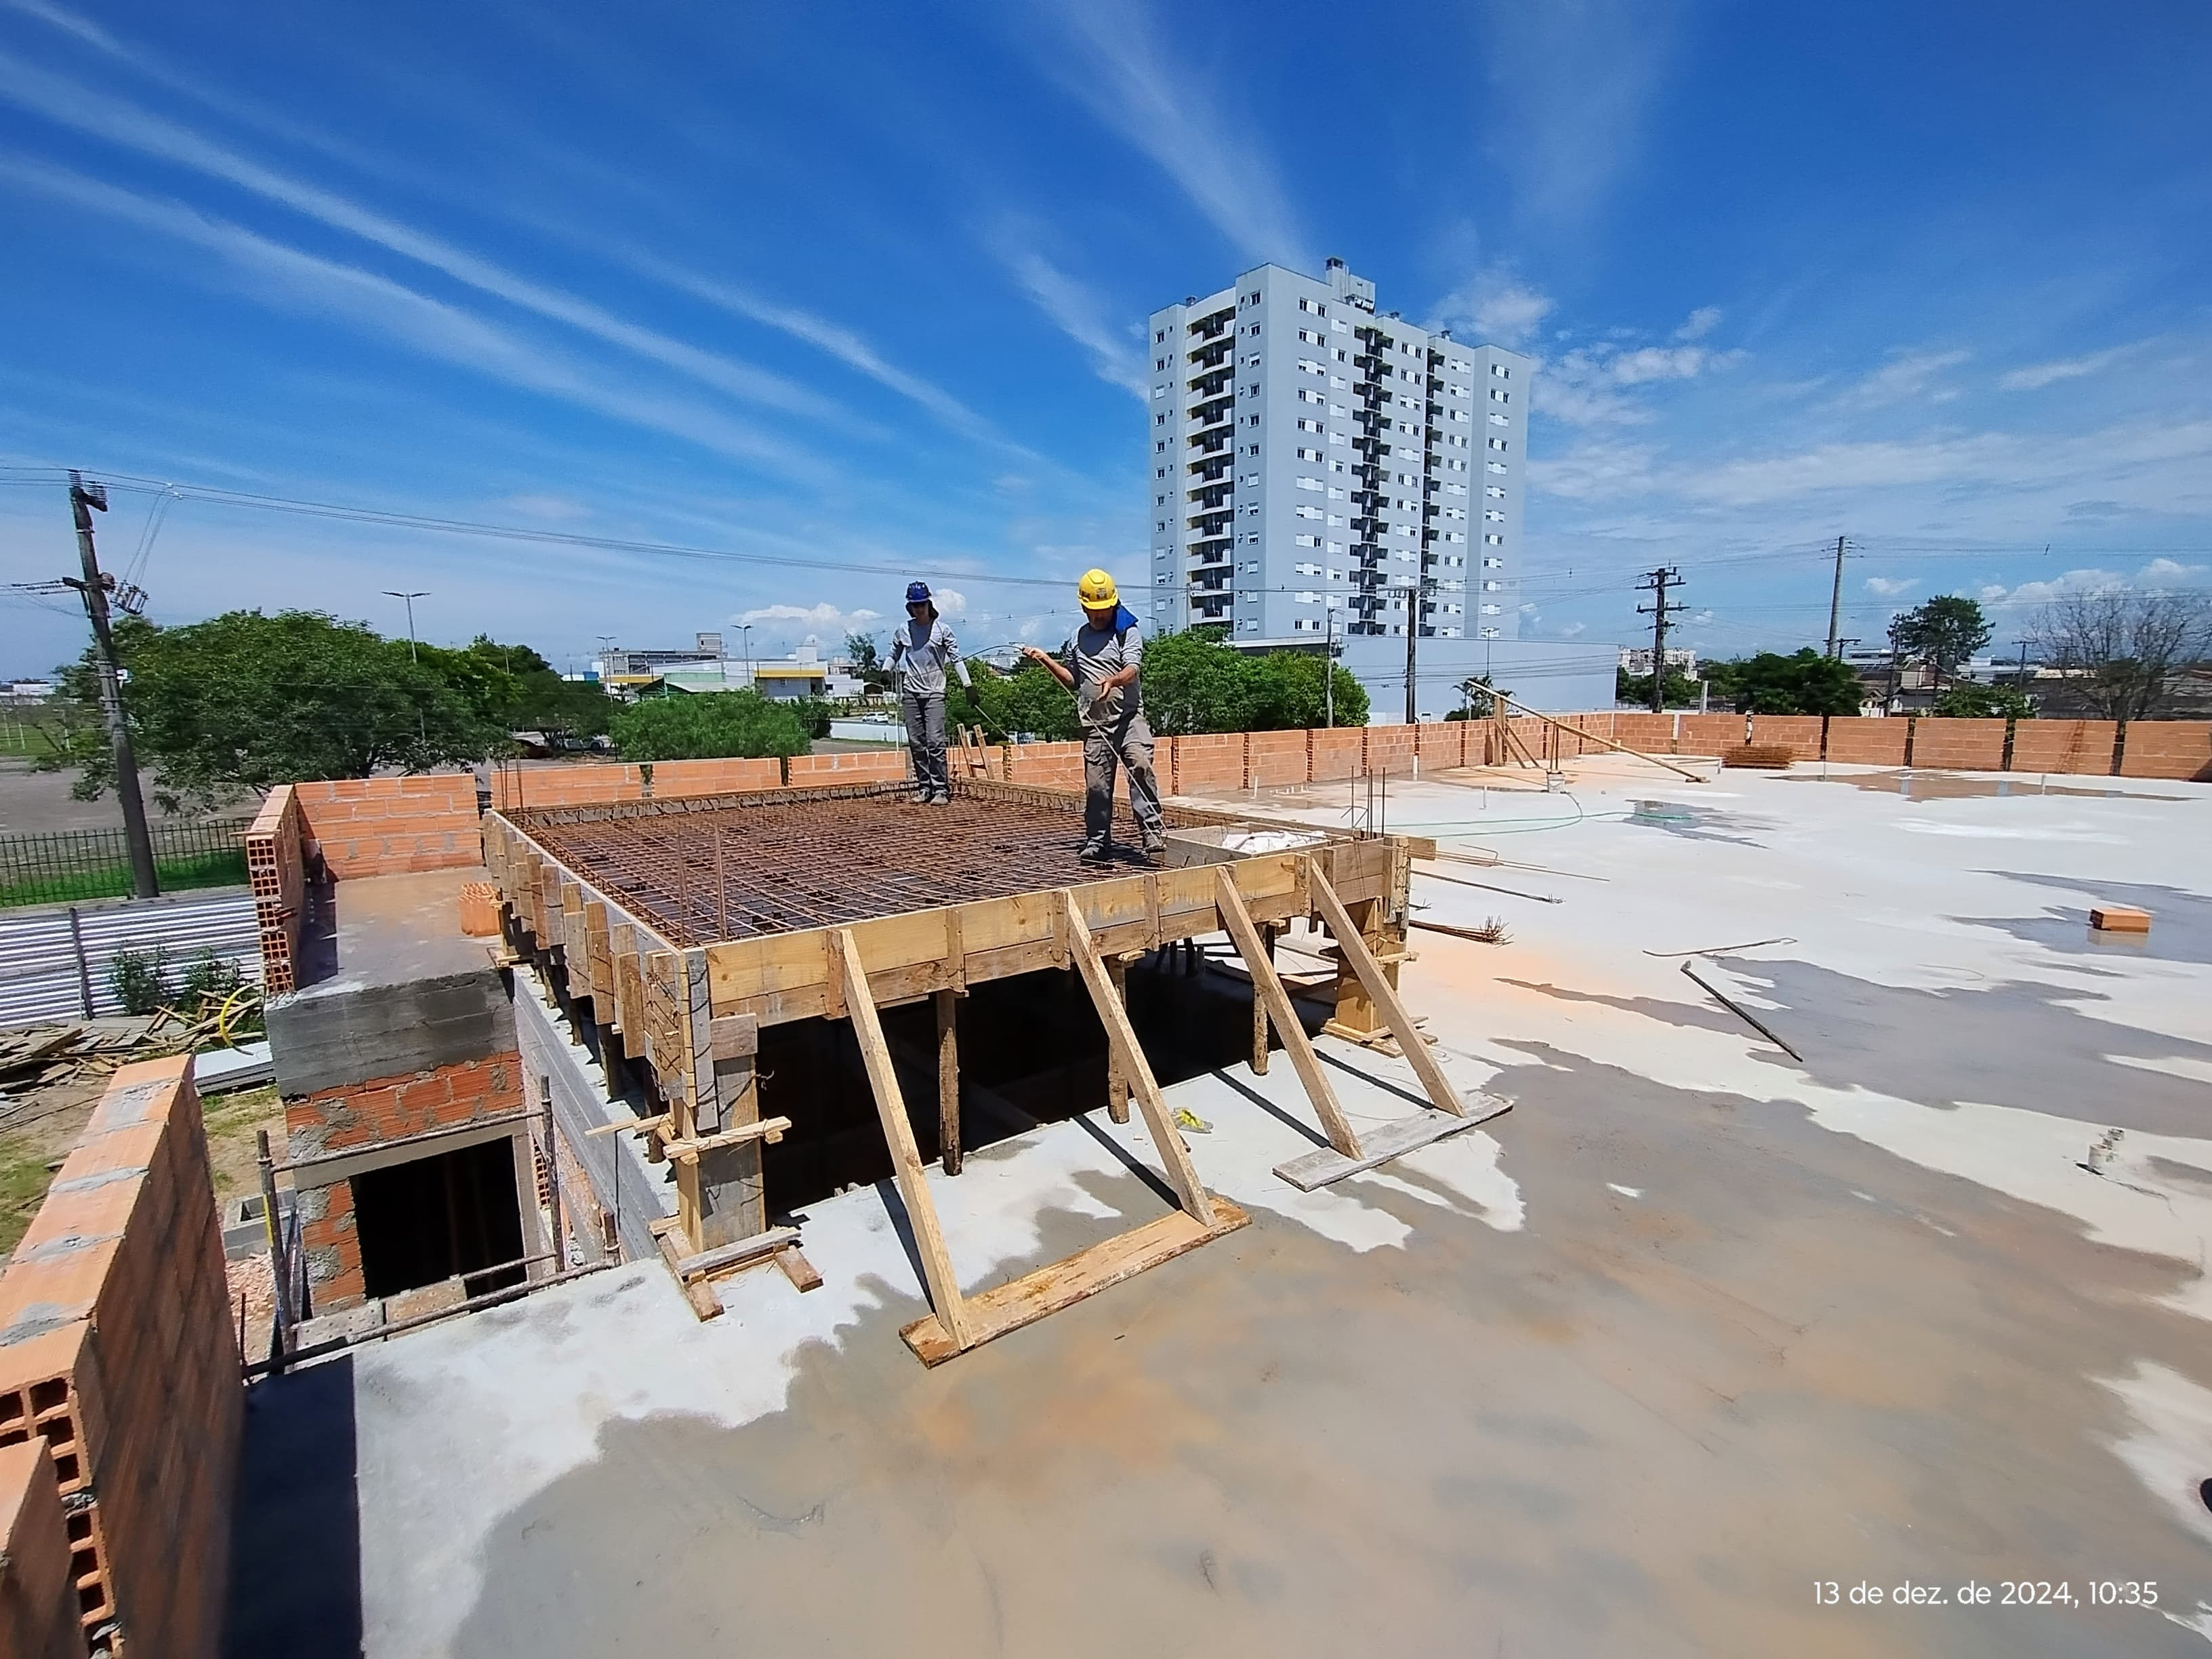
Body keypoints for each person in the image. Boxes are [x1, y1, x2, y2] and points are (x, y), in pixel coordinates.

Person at [1023, 569, 1164, 865]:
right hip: (1096, 725)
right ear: (1084, 607)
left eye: (1104, 611)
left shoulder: (1127, 632)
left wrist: (1113, 681)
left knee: (1140, 765)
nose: (1099, 617)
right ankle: (1098, 841)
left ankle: (1152, 832)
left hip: (1128, 719)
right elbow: (1072, 679)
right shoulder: (1078, 637)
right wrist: (1045, 660)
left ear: (1113, 605)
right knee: (1097, 786)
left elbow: (1133, 669)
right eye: (1093, 612)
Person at [890, 580, 970, 804]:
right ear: (910, 607)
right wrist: (886, 670)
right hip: (911, 694)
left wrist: (968, 685)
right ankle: (924, 787)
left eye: (922, 604)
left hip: (935, 693)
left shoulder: (942, 630)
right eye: (915, 605)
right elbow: (894, 654)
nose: (919, 609)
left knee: (935, 742)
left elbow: (957, 659)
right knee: (917, 743)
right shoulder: (904, 630)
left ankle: (941, 789)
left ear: (929, 603)